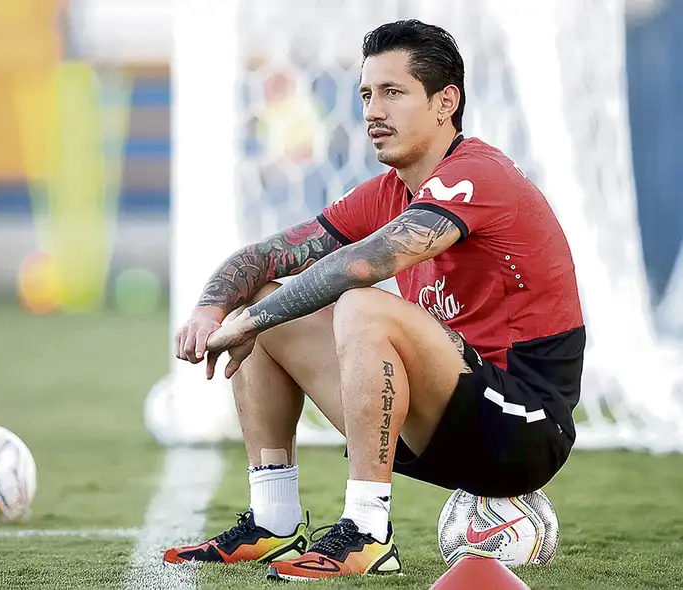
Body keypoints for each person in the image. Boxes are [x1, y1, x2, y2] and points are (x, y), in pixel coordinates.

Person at [162, 19, 585, 582]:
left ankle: (367, 532)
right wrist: (212, 308)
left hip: (524, 427)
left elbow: (365, 265)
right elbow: (267, 256)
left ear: (445, 103)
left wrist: (251, 318)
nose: (372, 111)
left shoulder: (478, 176)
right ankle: (273, 520)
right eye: (366, 94)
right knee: (263, 301)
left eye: (393, 92)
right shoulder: (390, 190)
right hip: (444, 420)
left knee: (357, 303)